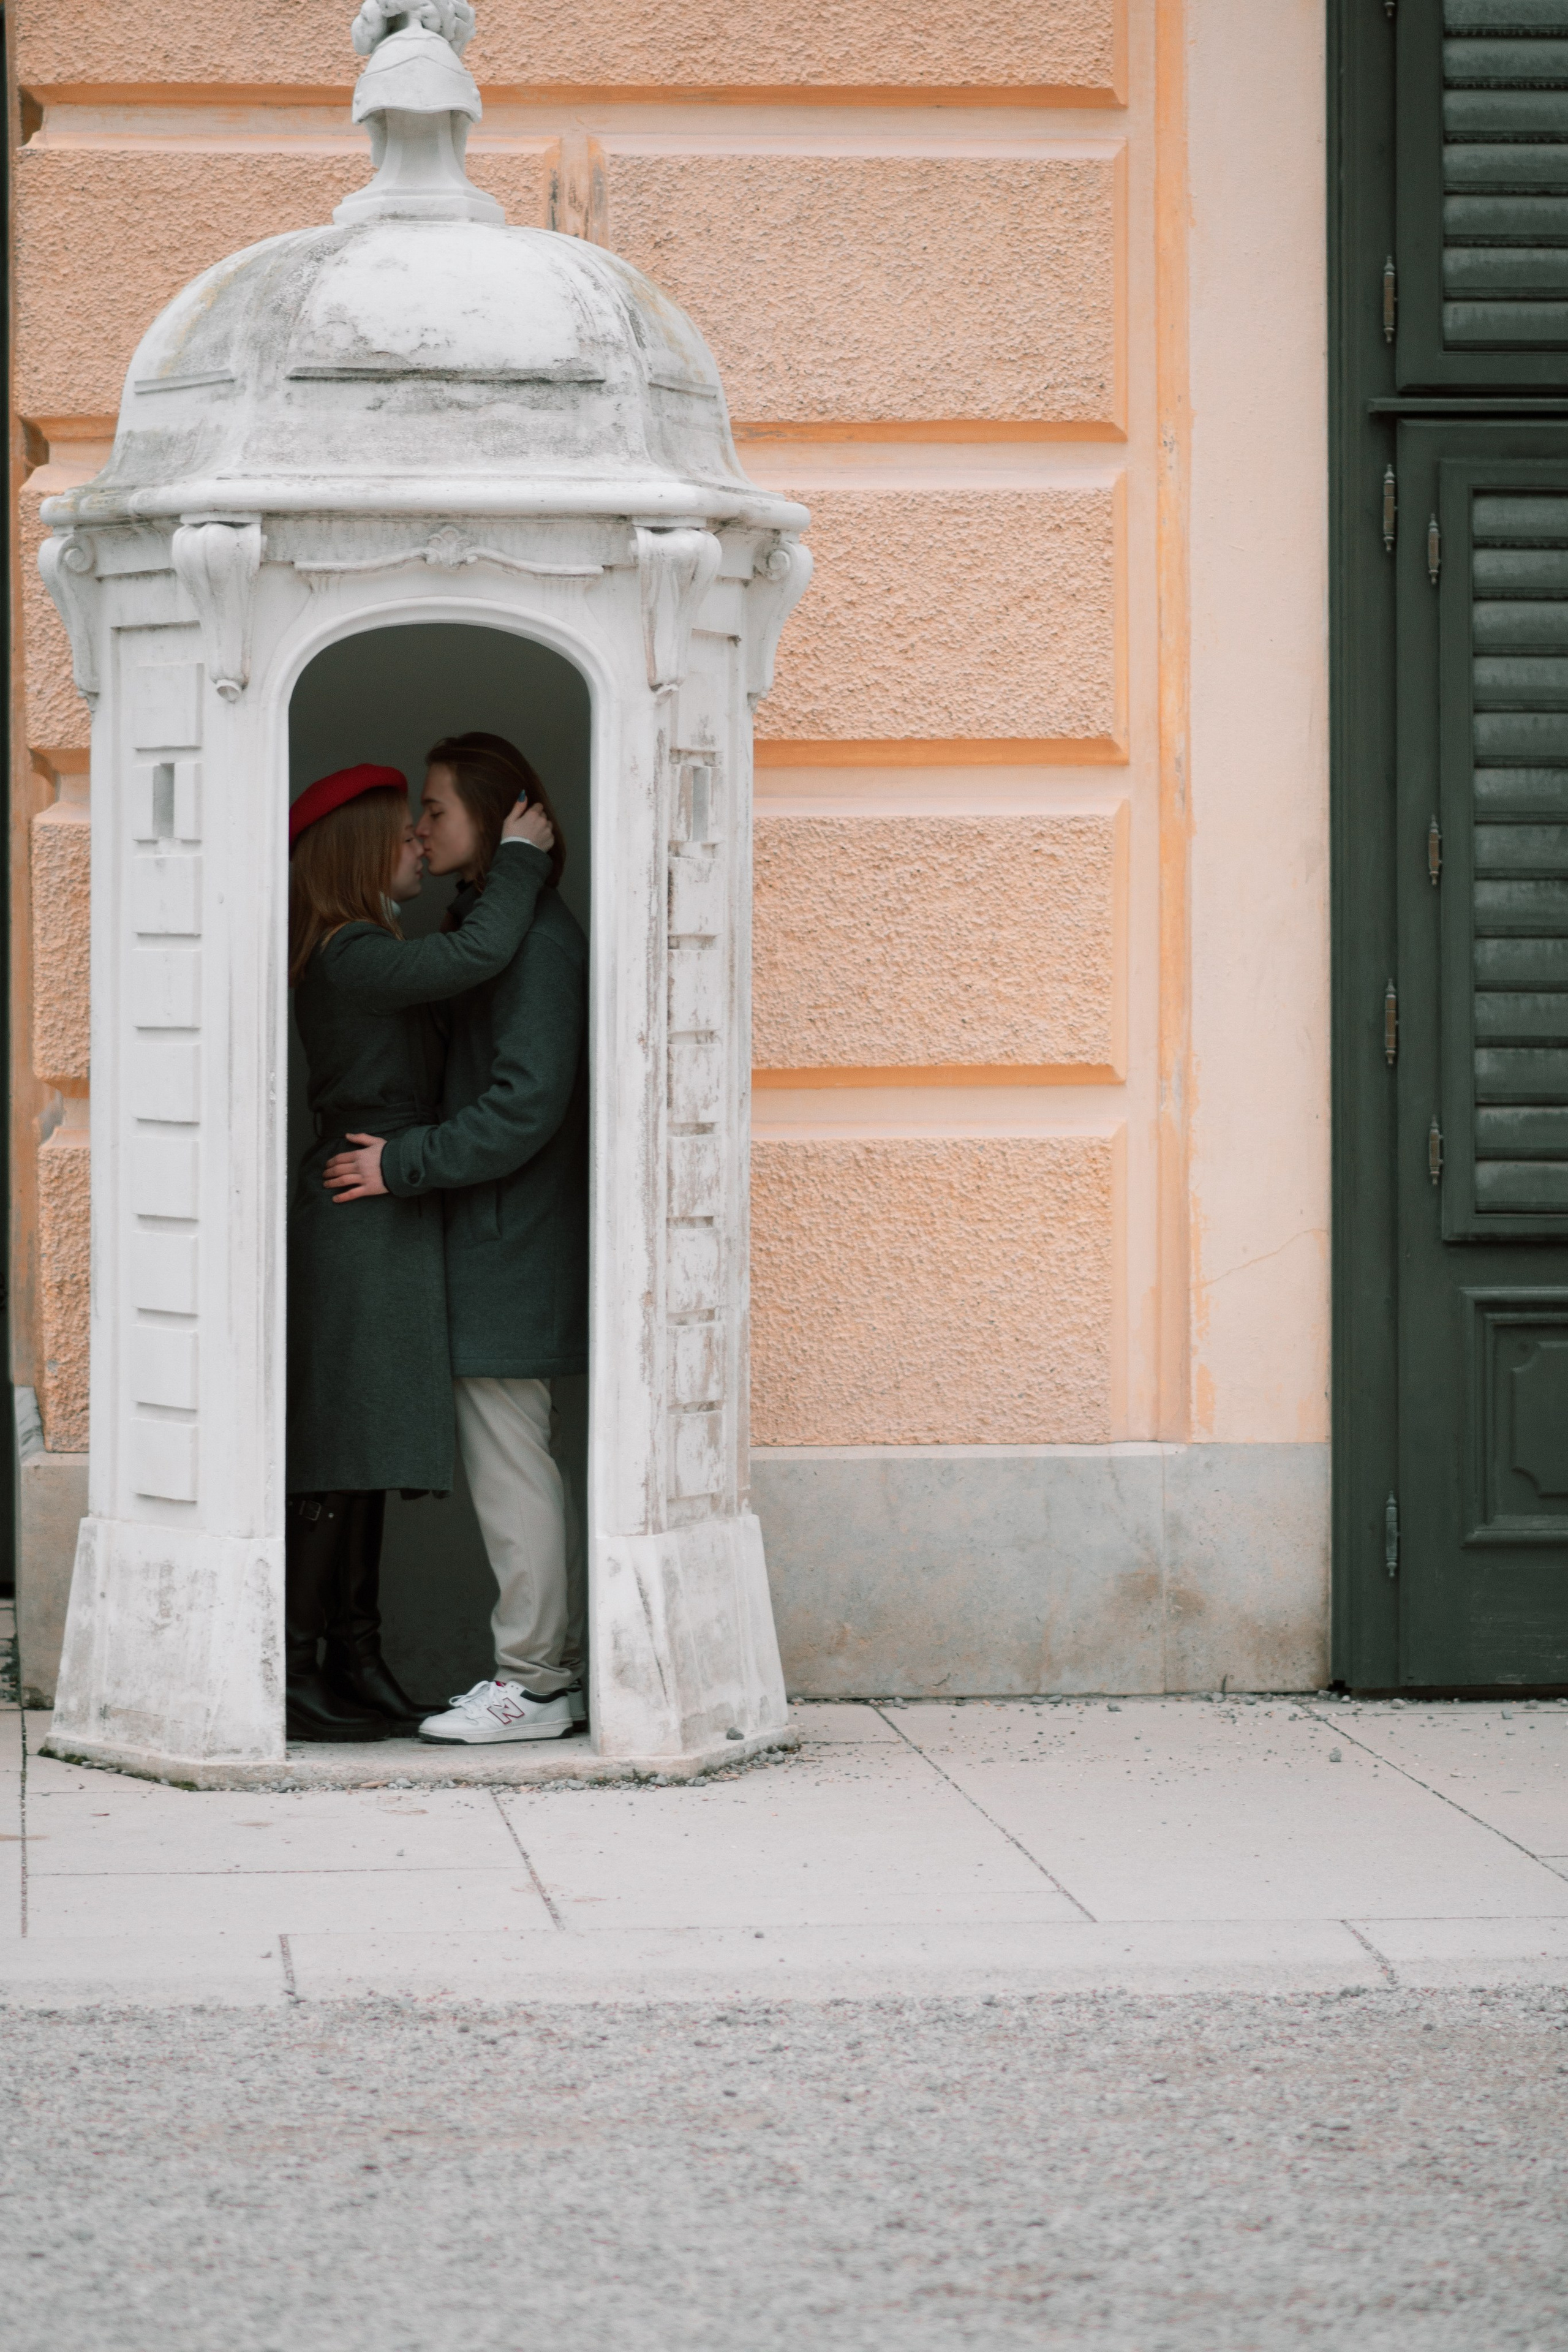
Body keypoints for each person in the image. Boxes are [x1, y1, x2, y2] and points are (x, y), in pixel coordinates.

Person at [325, 733, 588, 1745]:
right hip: (485, 1240)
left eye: (436, 807)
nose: (421, 827)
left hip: (508, 1245)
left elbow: (524, 1108)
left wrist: (405, 1161)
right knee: (506, 1459)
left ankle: (535, 1681)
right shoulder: (492, 927)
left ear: (491, 814)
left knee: (511, 1462)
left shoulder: (537, 943)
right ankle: (535, 1674)